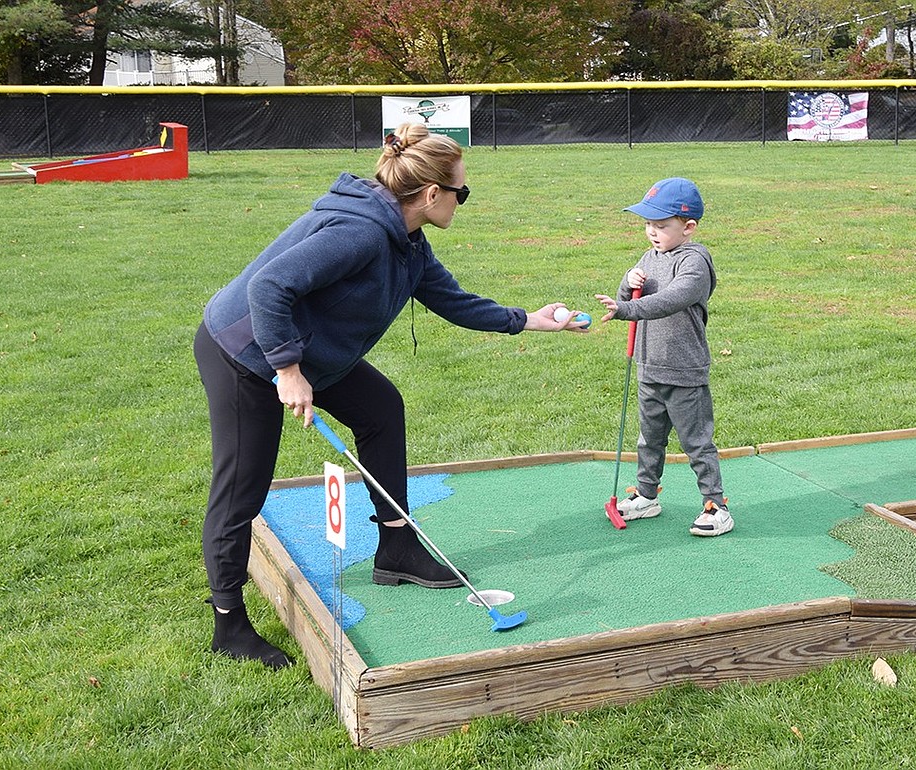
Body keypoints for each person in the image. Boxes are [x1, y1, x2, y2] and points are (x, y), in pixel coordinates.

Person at [194, 123, 586, 668]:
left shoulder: (408, 242)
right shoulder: (359, 232)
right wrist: (286, 369)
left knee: (381, 410)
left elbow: (454, 302)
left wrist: (530, 321)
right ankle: (229, 624)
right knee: (242, 484)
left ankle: (397, 549)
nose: (462, 202)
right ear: (430, 195)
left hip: (307, 351)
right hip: (245, 351)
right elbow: (269, 287)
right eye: (462, 193)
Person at [595, 177, 732, 538]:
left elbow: (672, 299)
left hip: (684, 369)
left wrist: (627, 308)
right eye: (648, 225)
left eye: (661, 226)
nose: (652, 233)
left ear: (688, 227)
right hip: (649, 367)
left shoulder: (695, 262)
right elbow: (635, 293)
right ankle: (646, 495)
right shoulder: (649, 257)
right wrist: (627, 282)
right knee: (649, 438)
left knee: (697, 442)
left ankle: (716, 506)